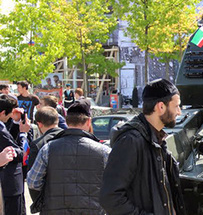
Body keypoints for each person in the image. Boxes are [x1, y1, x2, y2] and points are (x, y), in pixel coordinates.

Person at [99, 79, 185, 215]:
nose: (179, 112)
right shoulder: (131, 141)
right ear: (160, 107)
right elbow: (110, 197)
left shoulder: (157, 140)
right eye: (176, 106)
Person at [27, 99, 111, 214]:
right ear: (88, 121)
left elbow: (33, 181)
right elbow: (115, 185)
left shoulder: (48, 148)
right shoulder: (104, 151)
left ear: (67, 122)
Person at [0, 95, 30, 215]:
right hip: (9, 185)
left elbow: (8, 137)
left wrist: (17, 123)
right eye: (11, 113)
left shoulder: (3, 126)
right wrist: (24, 134)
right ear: (3, 112)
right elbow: (20, 153)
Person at [26, 107, 64, 203]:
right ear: (57, 120)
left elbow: (33, 180)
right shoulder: (71, 138)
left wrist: (39, 203)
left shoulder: (38, 145)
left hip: (49, 200)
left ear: (39, 124)